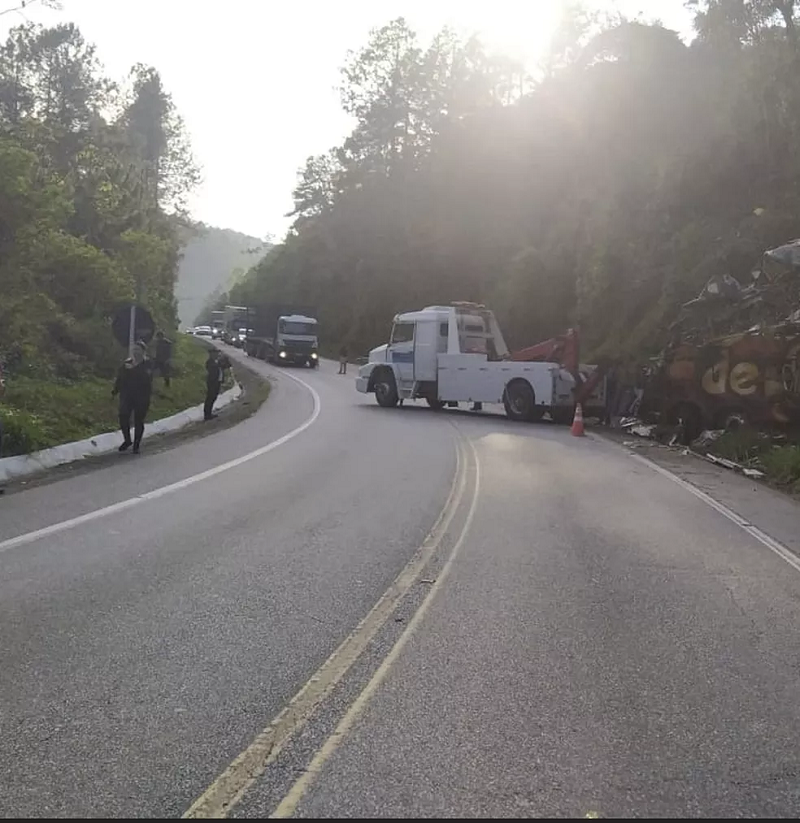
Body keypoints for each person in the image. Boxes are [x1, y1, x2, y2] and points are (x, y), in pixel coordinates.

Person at [112, 341, 153, 454]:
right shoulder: (127, 363)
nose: (135, 352)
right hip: (127, 395)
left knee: (138, 420)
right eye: (134, 350)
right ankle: (127, 440)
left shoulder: (148, 364)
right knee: (123, 416)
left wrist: (134, 369)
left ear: (143, 351)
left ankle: (136, 445)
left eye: (138, 350)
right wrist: (115, 390)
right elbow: (120, 378)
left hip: (142, 396)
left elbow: (147, 378)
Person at [204, 350, 230, 420]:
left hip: (217, 382)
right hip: (212, 382)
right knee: (210, 397)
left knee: (214, 397)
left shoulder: (217, 361)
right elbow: (212, 368)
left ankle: (209, 413)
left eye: (217, 353)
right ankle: (207, 414)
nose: (216, 355)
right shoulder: (210, 362)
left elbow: (227, 366)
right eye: (215, 353)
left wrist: (226, 360)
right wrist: (220, 363)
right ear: (211, 354)